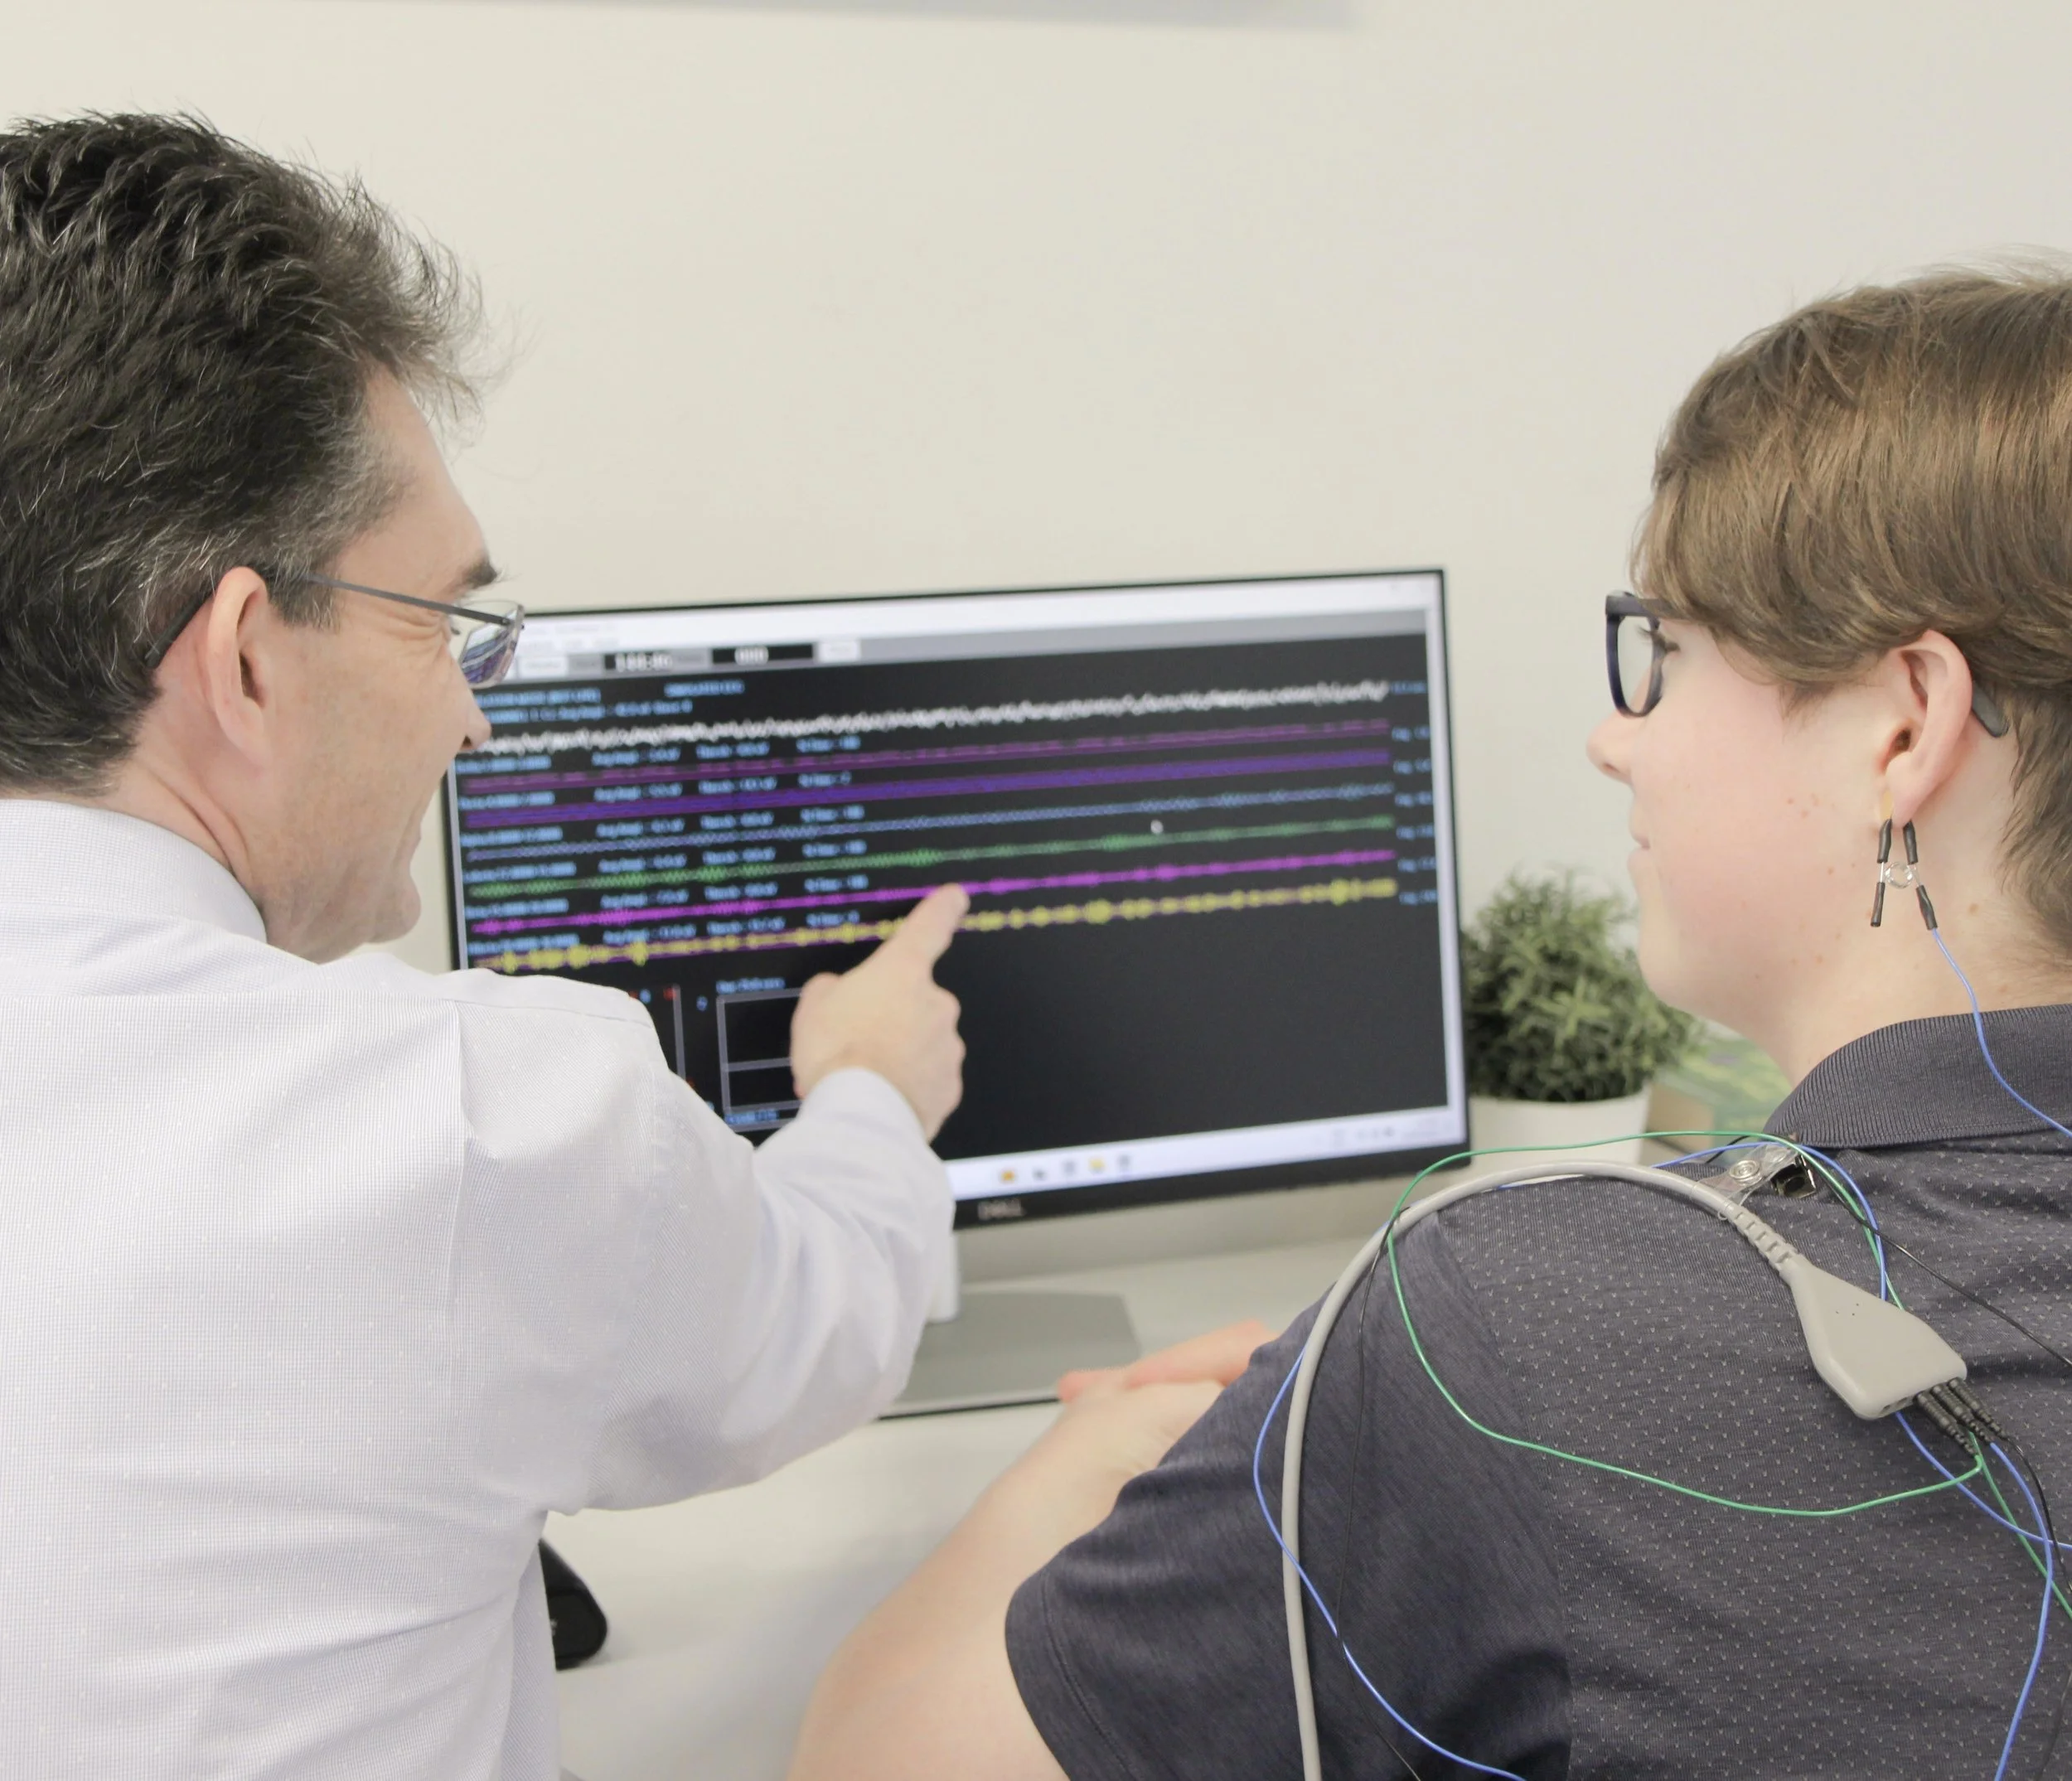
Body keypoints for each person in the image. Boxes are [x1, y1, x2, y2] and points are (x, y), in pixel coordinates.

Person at [790, 268, 2072, 1779]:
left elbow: (873, 1766)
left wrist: (1078, 1468)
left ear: (1905, 725)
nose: (1615, 738)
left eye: (1662, 654)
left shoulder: (1502, 1335)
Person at [0, 114, 968, 1776]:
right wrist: (870, 1090)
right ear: (245, 659)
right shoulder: (449, 1123)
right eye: (441, 625)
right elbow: (808, 1324)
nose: (470, 717)